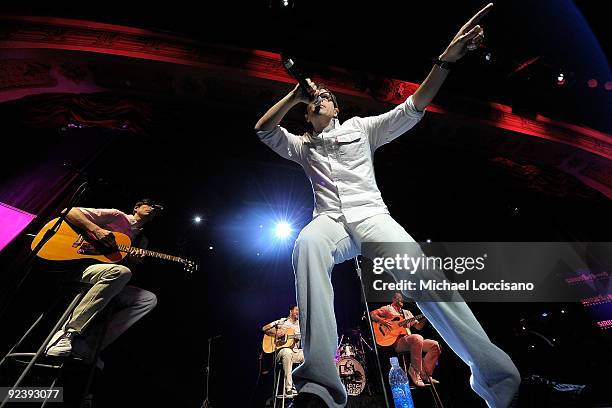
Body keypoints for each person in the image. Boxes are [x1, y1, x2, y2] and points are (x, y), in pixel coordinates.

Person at [254, 3, 520, 407]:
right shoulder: (302, 144)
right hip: (329, 222)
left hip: (372, 217)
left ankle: (497, 379)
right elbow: (263, 130)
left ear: (338, 108)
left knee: (422, 273)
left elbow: (414, 105)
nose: (319, 99)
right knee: (307, 245)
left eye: (325, 97)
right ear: (307, 113)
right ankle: (320, 386)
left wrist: (446, 60)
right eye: (314, 100)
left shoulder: (362, 129)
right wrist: (294, 94)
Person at [44, 199, 159, 366]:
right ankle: (65, 334)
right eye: (151, 205)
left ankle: (89, 346)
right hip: (78, 268)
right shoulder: (117, 216)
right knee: (120, 272)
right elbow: (68, 212)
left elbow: (120, 267)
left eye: (157, 209)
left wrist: (133, 262)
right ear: (136, 207)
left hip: (106, 276)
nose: (154, 209)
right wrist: (96, 230)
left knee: (148, 299)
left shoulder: (142, 241)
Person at [371, 292, 441, 387]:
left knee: (434, 345)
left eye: (402, 298)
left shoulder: (407, 313)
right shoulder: (388, 309)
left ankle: (426, 375)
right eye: (399, 298)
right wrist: (384, 322)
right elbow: (372, 314)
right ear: (393, 299)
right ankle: (414, 371)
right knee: (417, 338)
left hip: (411, 341)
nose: (402, 299)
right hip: (395, 342)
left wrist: (425, 317)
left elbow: (418, 327)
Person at [262, 305, 304, 397]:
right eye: (297, 310)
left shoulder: (301, 325)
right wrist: (276, 332)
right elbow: (264, 328)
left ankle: (302, 385)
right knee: (287, 351)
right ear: (291, 311)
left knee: (308, 354)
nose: (298, 312)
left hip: (295, 353)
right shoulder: (282, 321)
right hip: (281, 353)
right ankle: (289, 388)